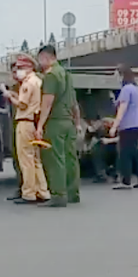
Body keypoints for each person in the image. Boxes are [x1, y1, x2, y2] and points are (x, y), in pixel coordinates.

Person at [36, 44, 81, 207]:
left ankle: (58, 195)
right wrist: (77, 122)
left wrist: (40, 125)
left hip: (55, 122)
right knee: (70, 158)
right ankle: (72, 193)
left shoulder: (51, 76)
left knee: (55, 159)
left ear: (45, 57)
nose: (39, 63)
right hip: (68, 122)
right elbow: (74, 102)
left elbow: (47, 103)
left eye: (40, 59)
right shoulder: (66, 75)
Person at [1, 53, 49, 204]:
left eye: (20, 68)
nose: (17, 72)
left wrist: (8, 95)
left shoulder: (27, 84)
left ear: (28, 68)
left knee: (26, 160)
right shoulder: (37, 81)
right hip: (32, 122)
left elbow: (22, 104)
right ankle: (42, 191)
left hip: (24, 121)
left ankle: (28, 193)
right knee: (35, 160)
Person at [109, 67, 138, 189]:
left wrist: (115, 126)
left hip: (128, 126)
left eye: (117, 75)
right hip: (137, 125)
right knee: (134, 153)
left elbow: (122, 108)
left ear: (122, 75)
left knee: (125, 154)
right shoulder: (136, 88)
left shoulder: (126, 89)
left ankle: (126, 181)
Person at [82, 115, 118, 184]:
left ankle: (116, 174)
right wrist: (91, 129)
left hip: (116, 146)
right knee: (96, 150)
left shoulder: (116, 126)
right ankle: (101, 174)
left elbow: (123, 138)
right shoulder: (99, 127)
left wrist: (109, 140)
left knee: (121, 151)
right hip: (104, 147)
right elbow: (87, 140)